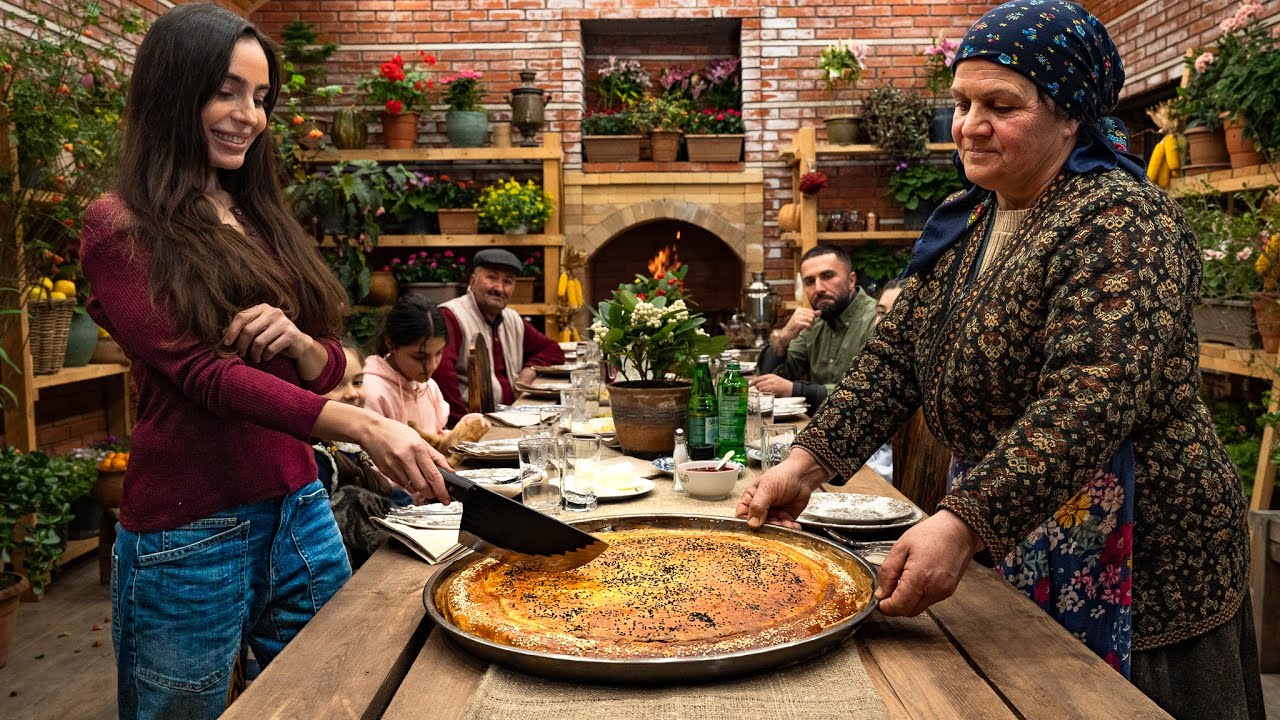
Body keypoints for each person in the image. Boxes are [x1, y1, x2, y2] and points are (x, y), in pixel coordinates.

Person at [737, 3, 1262, 718]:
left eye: (1000, 105)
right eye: (961, 102)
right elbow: (894, 360)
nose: (969, 125)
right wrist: (804, 465)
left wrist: (962, 523)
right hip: (1021, 521)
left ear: (1070, 114)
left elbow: (1091, 397)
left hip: (1140, 551)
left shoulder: (1119, 221)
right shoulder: (972, 216)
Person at [80, 6, 451, 717]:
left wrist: (304, 344)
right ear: (172, 89)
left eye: (259, 98)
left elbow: (324, 360)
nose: (246, 115)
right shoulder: (120, 224)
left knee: (335, 699)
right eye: (225, 91)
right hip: (190, 532)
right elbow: (201, 374)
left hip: (298, 505)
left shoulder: (253, 211)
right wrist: (363, 427)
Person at [434, 248, 565, 424]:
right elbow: (442, 374)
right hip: (473, 424)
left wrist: (530, 370)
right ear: (472, 281)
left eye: (508, 281)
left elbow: (552, 349)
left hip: (510, 416)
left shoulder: (511, 319)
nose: (499, 288)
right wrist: (462, 423)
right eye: (492, 277)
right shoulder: (451, 316)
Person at [749, 245, 877, 411]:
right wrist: (783, 339)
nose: (819, 289)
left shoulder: (877, 318)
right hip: (818, 426)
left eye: (828, 276)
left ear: (851, 280)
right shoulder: (814, 321)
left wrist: (796, 390)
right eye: (810, 282)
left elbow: (869, 390)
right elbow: (769, 382)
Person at [363, 294, 491, 439]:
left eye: (439, 353)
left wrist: (466, 427)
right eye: (420, 357)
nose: (432, 365)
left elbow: (438, 437)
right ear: (391, 344)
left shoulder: (430, 387)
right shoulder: (372, 391)